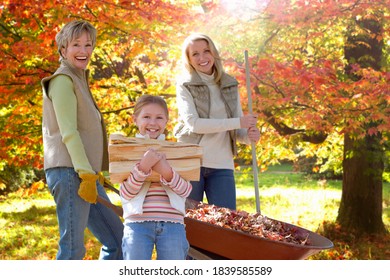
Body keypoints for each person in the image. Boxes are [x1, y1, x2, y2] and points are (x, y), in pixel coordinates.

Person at [41, 20, 123, 260]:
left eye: (88, 44)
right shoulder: (63, 81)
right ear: (63, 49)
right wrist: (86, 173)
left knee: (118, 241)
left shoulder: (79, 79)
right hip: (71, 174)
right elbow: (69, 132)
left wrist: (92, 173)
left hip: (86, 174)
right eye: (76, 44)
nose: (84, 50)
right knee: (72, 249)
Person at [174, 33, 260, 210]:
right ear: (188, 59)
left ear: (214, 53)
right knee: (190, 223)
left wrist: (250, 136)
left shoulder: (229, 83)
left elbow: (238, 131)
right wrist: (238, 122)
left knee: (226, 222)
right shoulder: (185, 85)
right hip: (191, 161)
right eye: (195, 54)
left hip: (222, 164)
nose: (202, 57)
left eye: (206, 51)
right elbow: (194, 124)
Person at [120, 94, 192, 260]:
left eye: (159, 117)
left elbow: (186, 191)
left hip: (172, 223)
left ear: (166, 121)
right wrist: (143, 167)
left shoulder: (177, 152)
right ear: (135, 119)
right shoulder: (125, 151)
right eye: (146, 117)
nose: (153, 123)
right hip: (137, 225)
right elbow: (126, 193)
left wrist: (166, 171)